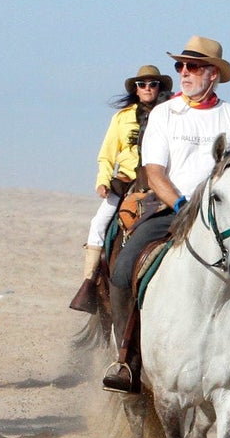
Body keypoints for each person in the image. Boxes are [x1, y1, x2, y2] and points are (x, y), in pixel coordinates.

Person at [102, 36, 230, 397]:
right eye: (180, 66)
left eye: (192, 67)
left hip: (224, 216)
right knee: (122, 269)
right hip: (170, 209)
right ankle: (127, 360)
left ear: (213, 74)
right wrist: (179, 204)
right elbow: (156, 171)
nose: (183, 73)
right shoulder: (164, 114)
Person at [68, 63, 172, 312]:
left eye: (153, 84)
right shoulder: (121, 118)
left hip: (162, 183)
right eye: (142, 84)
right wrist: (103, 181)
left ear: (160, 88)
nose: (148, 88)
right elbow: (106, 155)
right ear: (136, 89)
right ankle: (90, 283)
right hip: (126, 182)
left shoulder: (170, 115)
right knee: (98, 225)